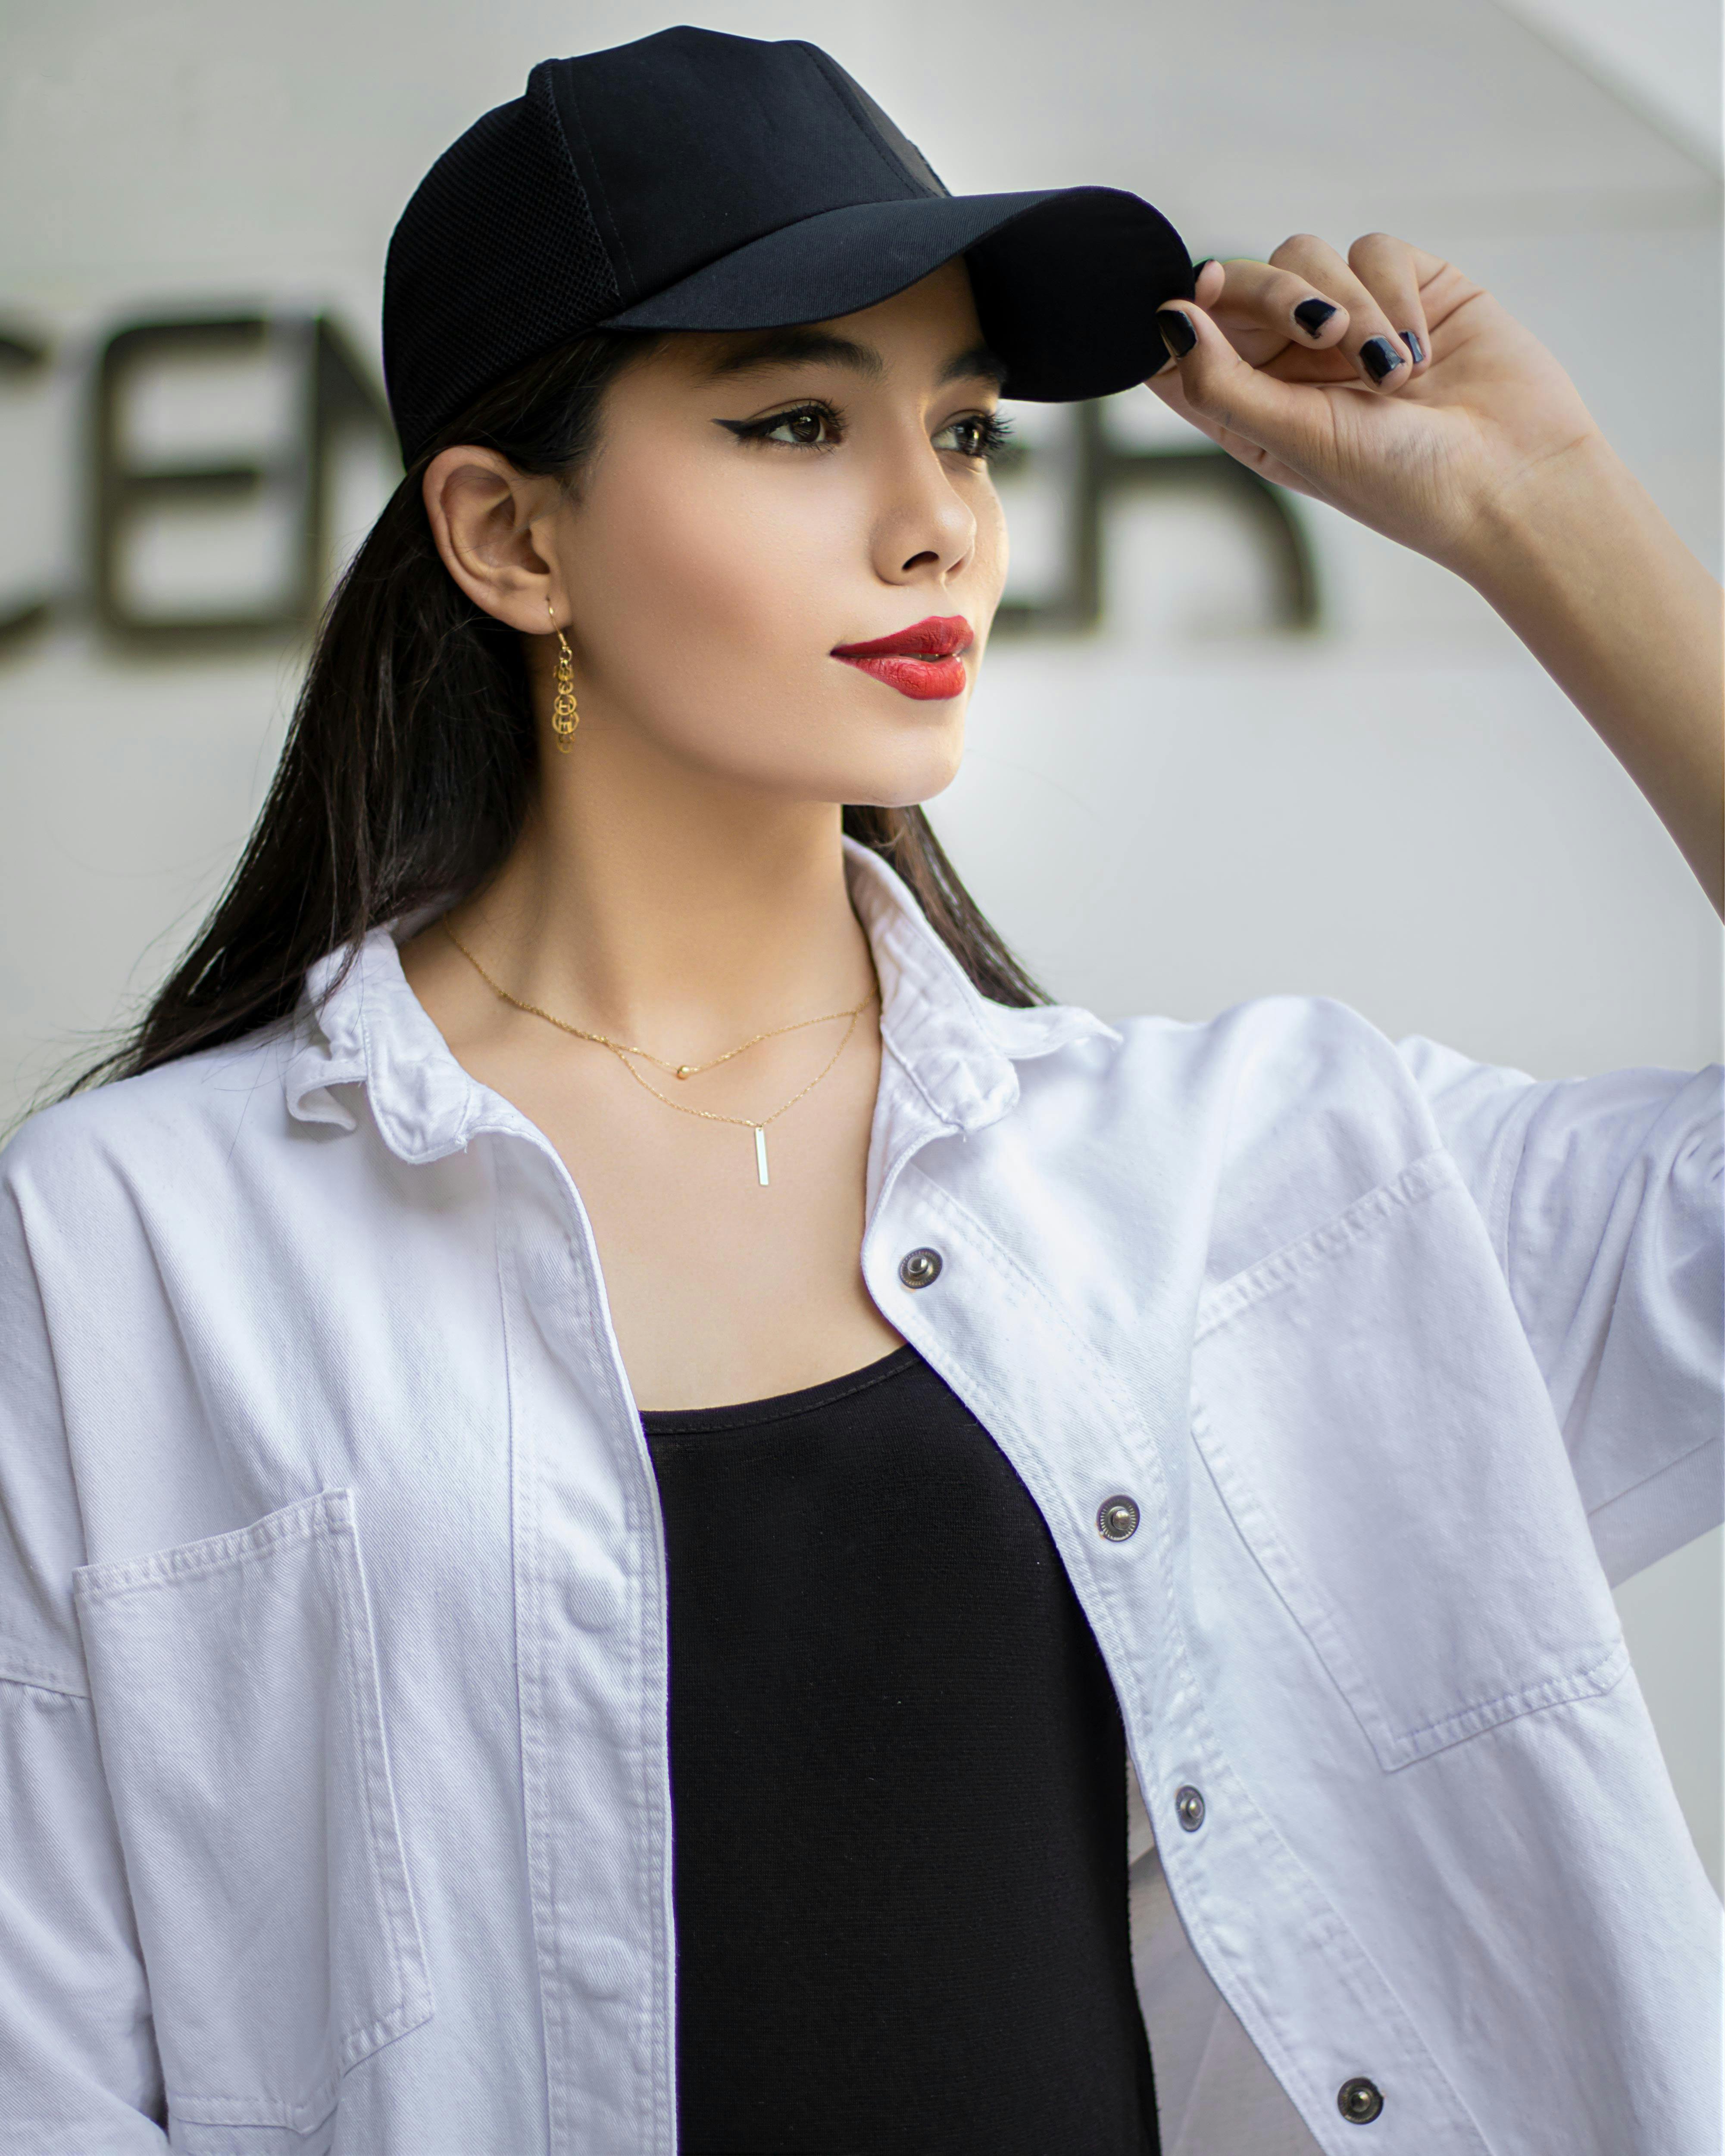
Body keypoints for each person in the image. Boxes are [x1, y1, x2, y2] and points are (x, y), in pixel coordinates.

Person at [0, 25, 1718, 2156]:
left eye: (968, 431)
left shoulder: (1253, 1184)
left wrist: (1544, 512)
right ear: (509, 536)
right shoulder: (123, 1249)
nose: (935, 529)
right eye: (797, 422)